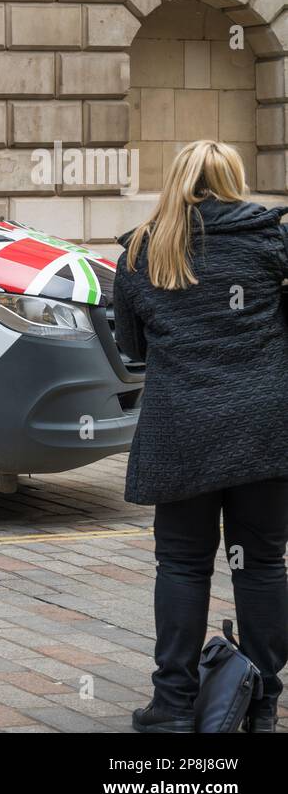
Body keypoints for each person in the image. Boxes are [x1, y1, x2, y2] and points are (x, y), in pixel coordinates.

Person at [114, 140, 288, 734]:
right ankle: (261, 703)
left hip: (181, 428)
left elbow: (132, 348)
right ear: (234, 179)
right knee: (262, 564)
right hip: (265, 427)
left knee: (182, 564)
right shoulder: (272, 242)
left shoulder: (143, 248)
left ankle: (172, 704)